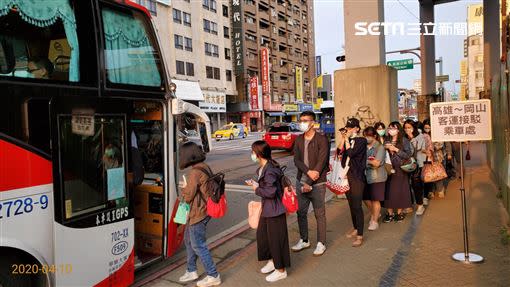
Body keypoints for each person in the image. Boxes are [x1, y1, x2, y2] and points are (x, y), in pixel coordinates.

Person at [246, 140, 290, 283]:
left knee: (276, 240)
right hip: (268, 209)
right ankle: (272, 261)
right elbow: (270, 187)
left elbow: (270, 192)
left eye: (253, 152)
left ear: (258, 154)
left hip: (275, 210)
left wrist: (256, 188)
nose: (252, 154)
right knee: (264, 236)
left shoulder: (269, 170)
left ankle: (281, 270)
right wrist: (256, 184)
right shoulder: (265, 167)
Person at [178, 142, 221, 287]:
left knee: (198, 245)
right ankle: (191, 270)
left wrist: (184, 188)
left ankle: (213, 275)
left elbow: (189, 196)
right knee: (189, 241)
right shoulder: (204, 166)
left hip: (198, 213)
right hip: (203, 210)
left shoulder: (195, 172)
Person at [292, 111, 330, 256]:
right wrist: (308, 173)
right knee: (301, 212)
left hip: (318, 183)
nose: (302, 123)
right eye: (301, 120)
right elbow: (296, 160)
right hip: (301, 180)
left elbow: (321, 163)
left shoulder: (322, 139)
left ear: (312, 122)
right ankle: (304, 239)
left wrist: (309, 181)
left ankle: (321, 243)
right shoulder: (299, 139)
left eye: (305, 120)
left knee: (319, 213)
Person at [337, 118, 367, 247]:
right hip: (346, 176)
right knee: (351, 204)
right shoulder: (347, 140)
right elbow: (339, 152)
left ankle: (360, 235)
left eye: (351, 128)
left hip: (357, 176)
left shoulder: (361, 141)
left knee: (357, 206)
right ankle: (355, 228)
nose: (348, 130)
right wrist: (343, 138)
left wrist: (348, 140)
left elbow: (351, 153)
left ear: (357, 129)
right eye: (347, 128)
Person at [383, 121, 413, 223]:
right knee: (388, 191)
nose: (391, 130)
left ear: (398, 130)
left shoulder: (404, 141)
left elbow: (408, 155)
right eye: (390, 128)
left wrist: (395, 149)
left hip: (400, 168)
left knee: (401, 190)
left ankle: (399, 212)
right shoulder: (386, 140)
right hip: (388, 168)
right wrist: (385, 149)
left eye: (394, 128)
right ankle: (389, 213)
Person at [362, 126, 387, 231]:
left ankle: (374, 221)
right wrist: (368, 162)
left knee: (375, 199)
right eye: (365, 136)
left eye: (369, 136)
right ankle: (375, 213)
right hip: (365, 176)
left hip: (377, 177)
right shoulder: (363, 147)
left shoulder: (379, 148)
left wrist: (364, 161)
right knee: (365, 198)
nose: (366, 138)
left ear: (375, 136)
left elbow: (376, 164)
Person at [403, 120, 427, 215]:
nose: (407, 129)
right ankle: (409, 205)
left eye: (409, 127)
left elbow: (418, 147)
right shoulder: (404, 138)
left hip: (418, 163)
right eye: (405, 128)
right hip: (406, 164)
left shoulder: (420, 136)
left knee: (416, 185)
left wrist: (412, 137)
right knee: (406, 185)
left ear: (414, 128)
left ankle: (420, 205)